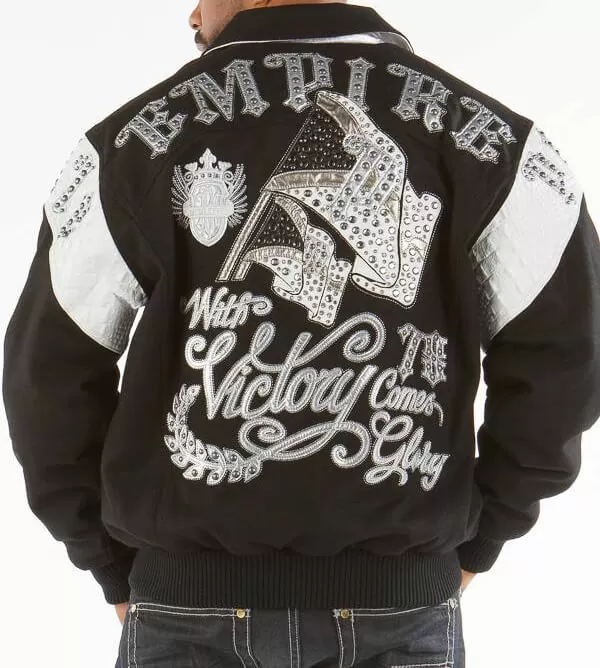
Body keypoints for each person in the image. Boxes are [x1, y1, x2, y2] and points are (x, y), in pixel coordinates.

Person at [3, 0, 600, 666]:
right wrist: (481, 539)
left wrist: (113, 564)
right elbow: (567, 357)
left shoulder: (121, 148)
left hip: (187, 616)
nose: (192, 15)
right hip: (399, 615)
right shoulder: (502, 146)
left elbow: (46, 379)